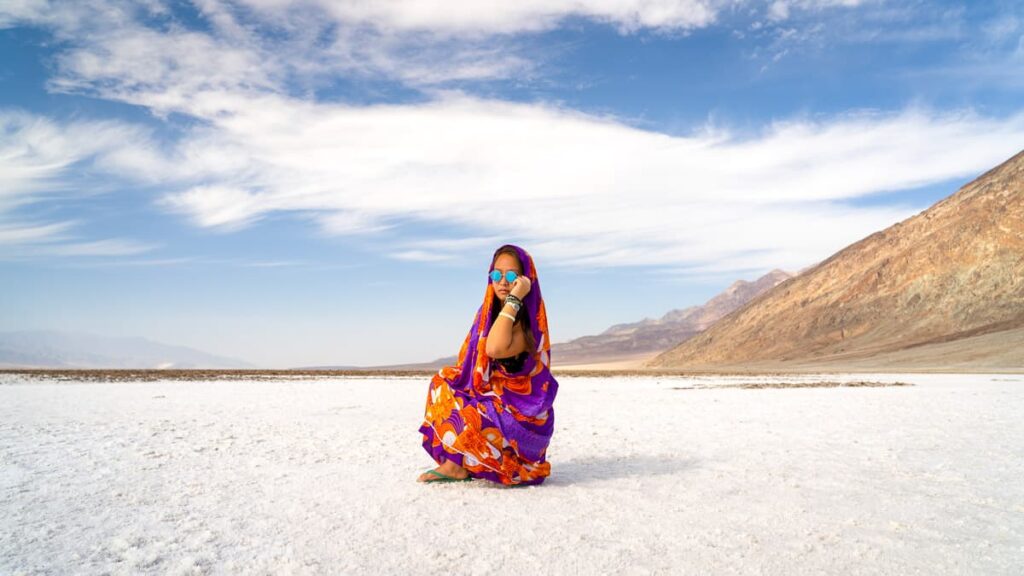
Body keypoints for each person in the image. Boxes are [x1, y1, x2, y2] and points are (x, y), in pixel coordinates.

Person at [416, 244, 559, 486]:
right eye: (496, 274)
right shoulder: (488, 315)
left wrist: (514, 299)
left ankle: (459, 465)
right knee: (443, 382)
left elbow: (494, 348)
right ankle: (458, 465)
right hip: (497, 402)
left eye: (512, 276)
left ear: (526, 280)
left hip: (523, 422)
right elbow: (471, 367)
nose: (503, 281)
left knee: (470, 410)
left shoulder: (528, 326)